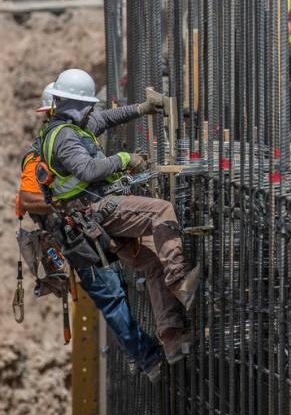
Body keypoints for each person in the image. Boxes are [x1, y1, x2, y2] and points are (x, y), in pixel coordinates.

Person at [38, 68, 201, 362]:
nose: (92, 111)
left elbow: (107, 118)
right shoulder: (64, 138)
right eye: (88, 106)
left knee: (151, 262)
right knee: (161, 210)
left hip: (92, 219)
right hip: (95, 211)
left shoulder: (74, 127)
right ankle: (180, 282)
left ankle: (171, 338)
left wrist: (142, 108)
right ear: (77, 104)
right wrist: (125, 159)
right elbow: (87, 170)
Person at [18, 83, 164, 380]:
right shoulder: (40, 157)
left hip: (90, 230)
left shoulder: (67, 135)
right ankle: (149, 358)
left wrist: (140, 108)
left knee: (122, 286)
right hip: (76, 238)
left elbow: (106, 118)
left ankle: (140, 351)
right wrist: (65, 203)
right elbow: (25, 199)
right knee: (111, 296)